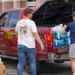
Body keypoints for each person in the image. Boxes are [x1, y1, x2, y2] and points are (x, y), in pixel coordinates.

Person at [15, 8, 44, 75]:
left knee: (20, 63)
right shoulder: (31, 23)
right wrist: (41, 43)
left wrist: (19, 39)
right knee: (32, 63)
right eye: (31, 14)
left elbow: (16, 32)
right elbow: (35, 34)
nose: (32, 16)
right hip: (30, 46)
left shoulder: (19, 22)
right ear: (29, 14)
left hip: (21, 45)